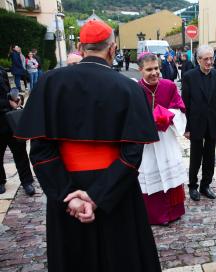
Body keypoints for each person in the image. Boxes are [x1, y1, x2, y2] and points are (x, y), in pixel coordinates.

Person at [14, 20, 162, 272]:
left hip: (67, 194)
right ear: (113, 49)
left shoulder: (49, 84)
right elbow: (132, 154)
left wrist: (68, 195)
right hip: (117, 192)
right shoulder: (128, 88)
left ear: (81, 48)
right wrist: (97, 197)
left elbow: (40, 151)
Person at [136, 53, 187, 226]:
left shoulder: (169, 86)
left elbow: (179, 107)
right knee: (150, 174)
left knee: (170, 172)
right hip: (147, 143)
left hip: (165, 139)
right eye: (149, 69)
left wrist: (166, 115)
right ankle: (155, 215)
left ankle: (173, 212)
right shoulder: (135, 89)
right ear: (140, 70)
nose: (154, 73)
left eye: (156, 68)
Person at [182, 45, 216, 201]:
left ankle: (205, 185)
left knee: (210, 156)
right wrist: (186, 128)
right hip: (195, 123)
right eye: (206, 59)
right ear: (198, 60)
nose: (209, 62)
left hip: (213, 122)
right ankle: (193, 186)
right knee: (195, 156)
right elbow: (185, 105)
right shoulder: (189, 76)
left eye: (211, 58)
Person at [0, 66, 35, 196]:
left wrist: (17, 97)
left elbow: (10, 91)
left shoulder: (2, 71)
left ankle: (27, 181)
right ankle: (0, 181)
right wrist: (8, 103)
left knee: (20, 151)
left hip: (9, 120)